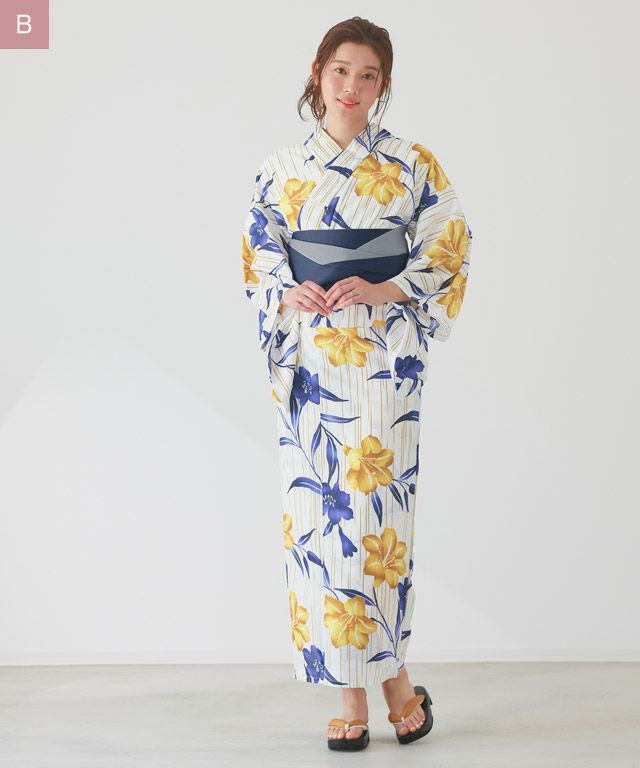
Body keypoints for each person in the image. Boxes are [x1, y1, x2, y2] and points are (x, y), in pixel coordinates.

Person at [241, 16, 472, 751]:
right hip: (311, 362)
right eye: (341, 70)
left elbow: (450, 246)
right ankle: (366, 692)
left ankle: (388, 682)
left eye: (368, 75)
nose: (351, 86)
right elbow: (259, 255)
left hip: (381, 358)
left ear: (383, 85)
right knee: (321, 524)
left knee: (377, 525)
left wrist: (386, 286)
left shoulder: (412, 164)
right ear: (319, 72)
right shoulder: (282, 169)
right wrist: (286, 288)